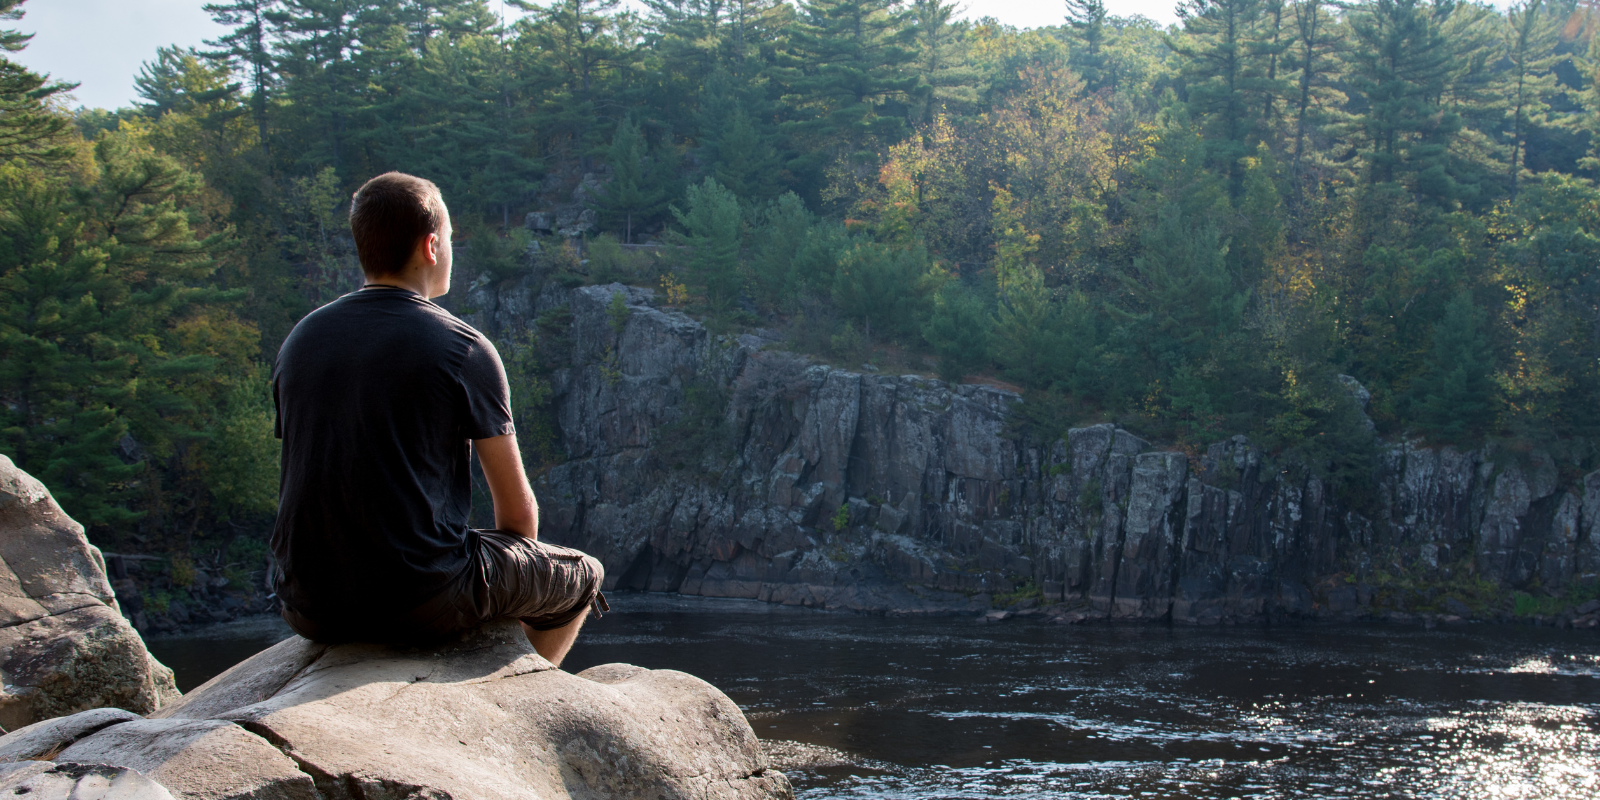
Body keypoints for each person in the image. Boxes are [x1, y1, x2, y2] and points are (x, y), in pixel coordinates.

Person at [269, 171, 605, 666]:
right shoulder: (462, 348)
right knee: (584, 575)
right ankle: (522, 693)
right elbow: (517, 516)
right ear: (431, 246)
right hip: (419, 600)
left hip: (307, 604)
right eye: (449, 238)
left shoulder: (301, 340)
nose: (450, 248)